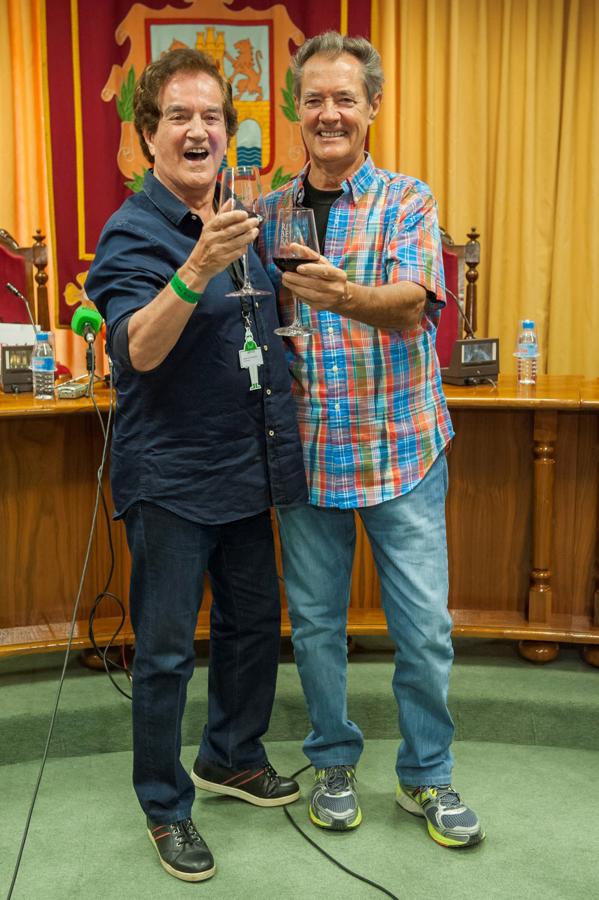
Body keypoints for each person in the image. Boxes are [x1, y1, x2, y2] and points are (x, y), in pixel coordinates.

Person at [84, 48, 307, 883]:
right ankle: (164, 804)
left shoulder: (240, 218)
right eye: (178, 116)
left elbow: (249, 331)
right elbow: (137, 350)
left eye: (212, 116)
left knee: (253, 630)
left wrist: (282, 291)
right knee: (170, 651)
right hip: (172, 477)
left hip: (248, 466)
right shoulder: (133, 230)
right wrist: (197, 265)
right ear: (149, 136)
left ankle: (231, 757)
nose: (198, 130)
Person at [259, 32, 484, 848]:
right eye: (313, 99)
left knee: (423, 626)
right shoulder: (271, 209)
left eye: (343, 99)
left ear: (371, 108)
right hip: (308, 457)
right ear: (296, 112)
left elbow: (413, 303)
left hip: (400, 451)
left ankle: (428, 775)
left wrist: (342, 294)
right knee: (316, 627)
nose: (328, 113)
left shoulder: (407, 199)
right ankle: (332, 762)